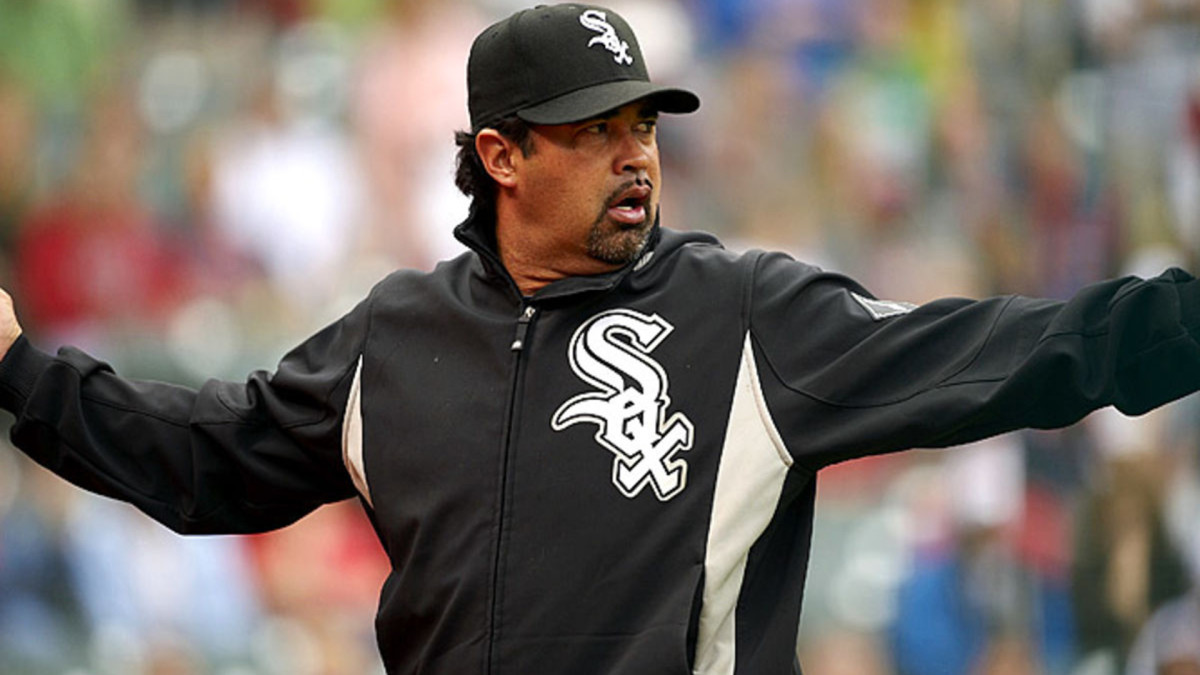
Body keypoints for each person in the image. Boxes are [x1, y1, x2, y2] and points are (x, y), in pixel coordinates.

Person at [1, 4, 1200, 674]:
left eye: (645, 125)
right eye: (594, 131)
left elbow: (1013, 351)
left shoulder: (747, 317)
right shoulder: (392, 341)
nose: (636, 155)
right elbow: (204, 456)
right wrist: (17, 373)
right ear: (501, 154)